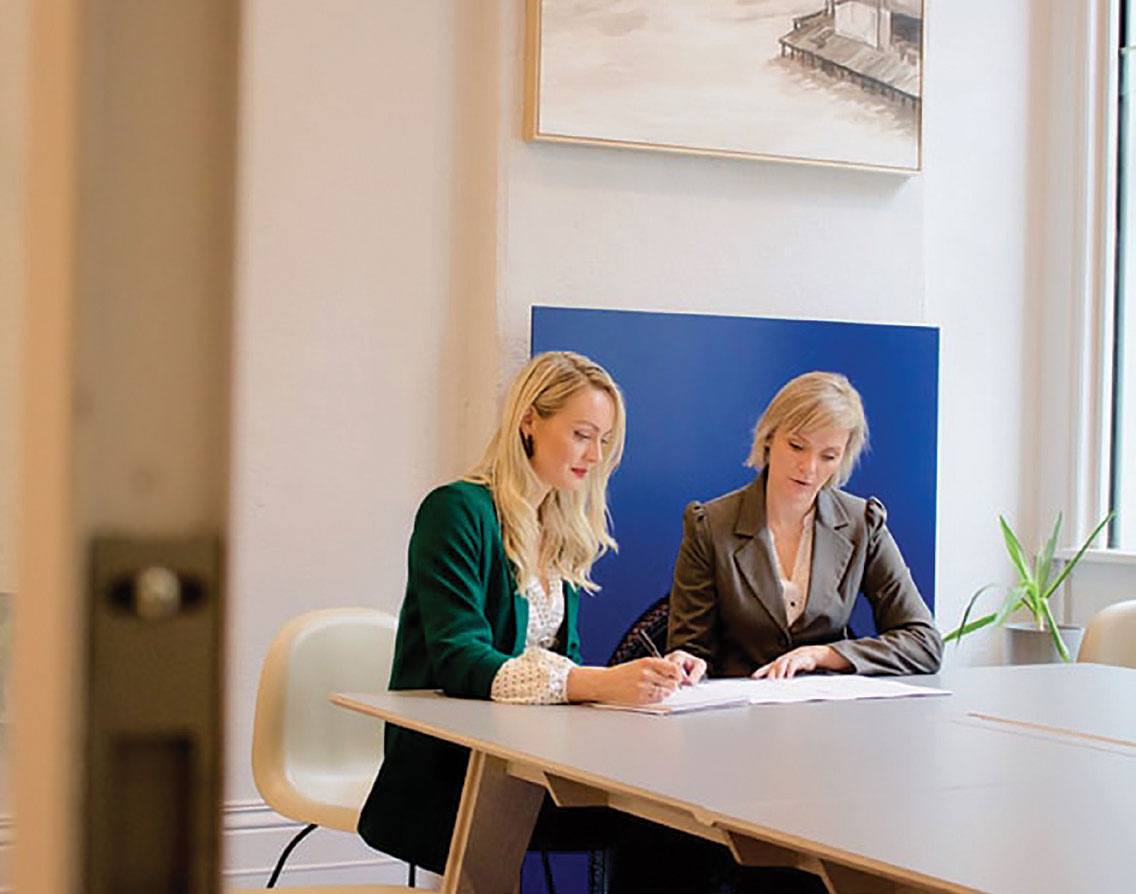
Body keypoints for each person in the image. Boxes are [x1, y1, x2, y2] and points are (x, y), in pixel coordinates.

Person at [357, 350, 706, 884]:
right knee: (661, 829)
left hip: (526, 760)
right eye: (582, 434)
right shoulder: (455, 511)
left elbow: (562, 664)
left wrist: (651, 680)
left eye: (604, 441)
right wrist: (599, 683)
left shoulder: (559, 526)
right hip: (451, 772)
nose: (594, 455)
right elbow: (460, 660)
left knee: (684, 823)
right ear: (529, 422)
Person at [668, 371, 943, 680]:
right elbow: (690, 651)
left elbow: (925, 642)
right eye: (797, 446)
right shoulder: (710, 525)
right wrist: (687, 666)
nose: (809, 468)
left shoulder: (862, 523)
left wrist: (824, 655)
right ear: (770, 436)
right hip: (740, 713)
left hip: (830, 716)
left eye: (829, 456)